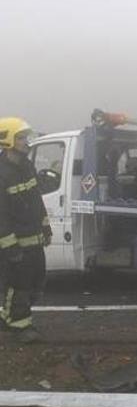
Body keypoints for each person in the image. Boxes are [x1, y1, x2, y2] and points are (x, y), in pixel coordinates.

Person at [0, 117, 51, 343]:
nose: (25, 141)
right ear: (8, 140)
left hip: (34, 239)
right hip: (16, 243)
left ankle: (8, 317)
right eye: (20, 137)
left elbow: (36, 199)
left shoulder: (27, 165)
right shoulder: (2, 173)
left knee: (36, 281)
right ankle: (21, 327)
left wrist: (45, 225)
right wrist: (10, 247)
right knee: (18, 285)